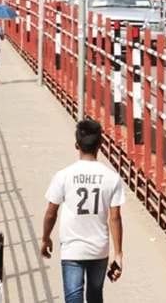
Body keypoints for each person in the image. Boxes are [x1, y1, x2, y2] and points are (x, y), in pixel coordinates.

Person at [41, 120, 125, 303]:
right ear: (100, 144)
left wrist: (45, 237)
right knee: (95, 296)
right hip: (99, 249)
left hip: (72, 249)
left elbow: (50, 213)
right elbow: (115, 218)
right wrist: (118, 253)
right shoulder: (112, 178)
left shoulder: (63, 176)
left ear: (76, 145)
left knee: (73, 298)